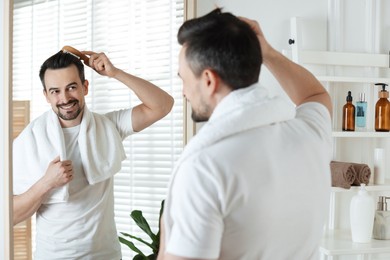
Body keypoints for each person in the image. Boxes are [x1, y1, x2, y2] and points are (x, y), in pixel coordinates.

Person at [157, 8, 332, 260]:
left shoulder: (204, 167)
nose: (183, 91)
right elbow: (315, 95)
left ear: (208, 80)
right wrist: (269, 54)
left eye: (184, 79)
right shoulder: (309, 134)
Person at [13, 49, 174, 259]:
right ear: (46, 95)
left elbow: (162, 105)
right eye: (55, 91)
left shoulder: (109, 127)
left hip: (106, 255)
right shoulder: (29, 141)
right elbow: (10, 215)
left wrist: (115, 73)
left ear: (85, 87)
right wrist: (46, 182)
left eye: (71, 87)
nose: (65, 98)